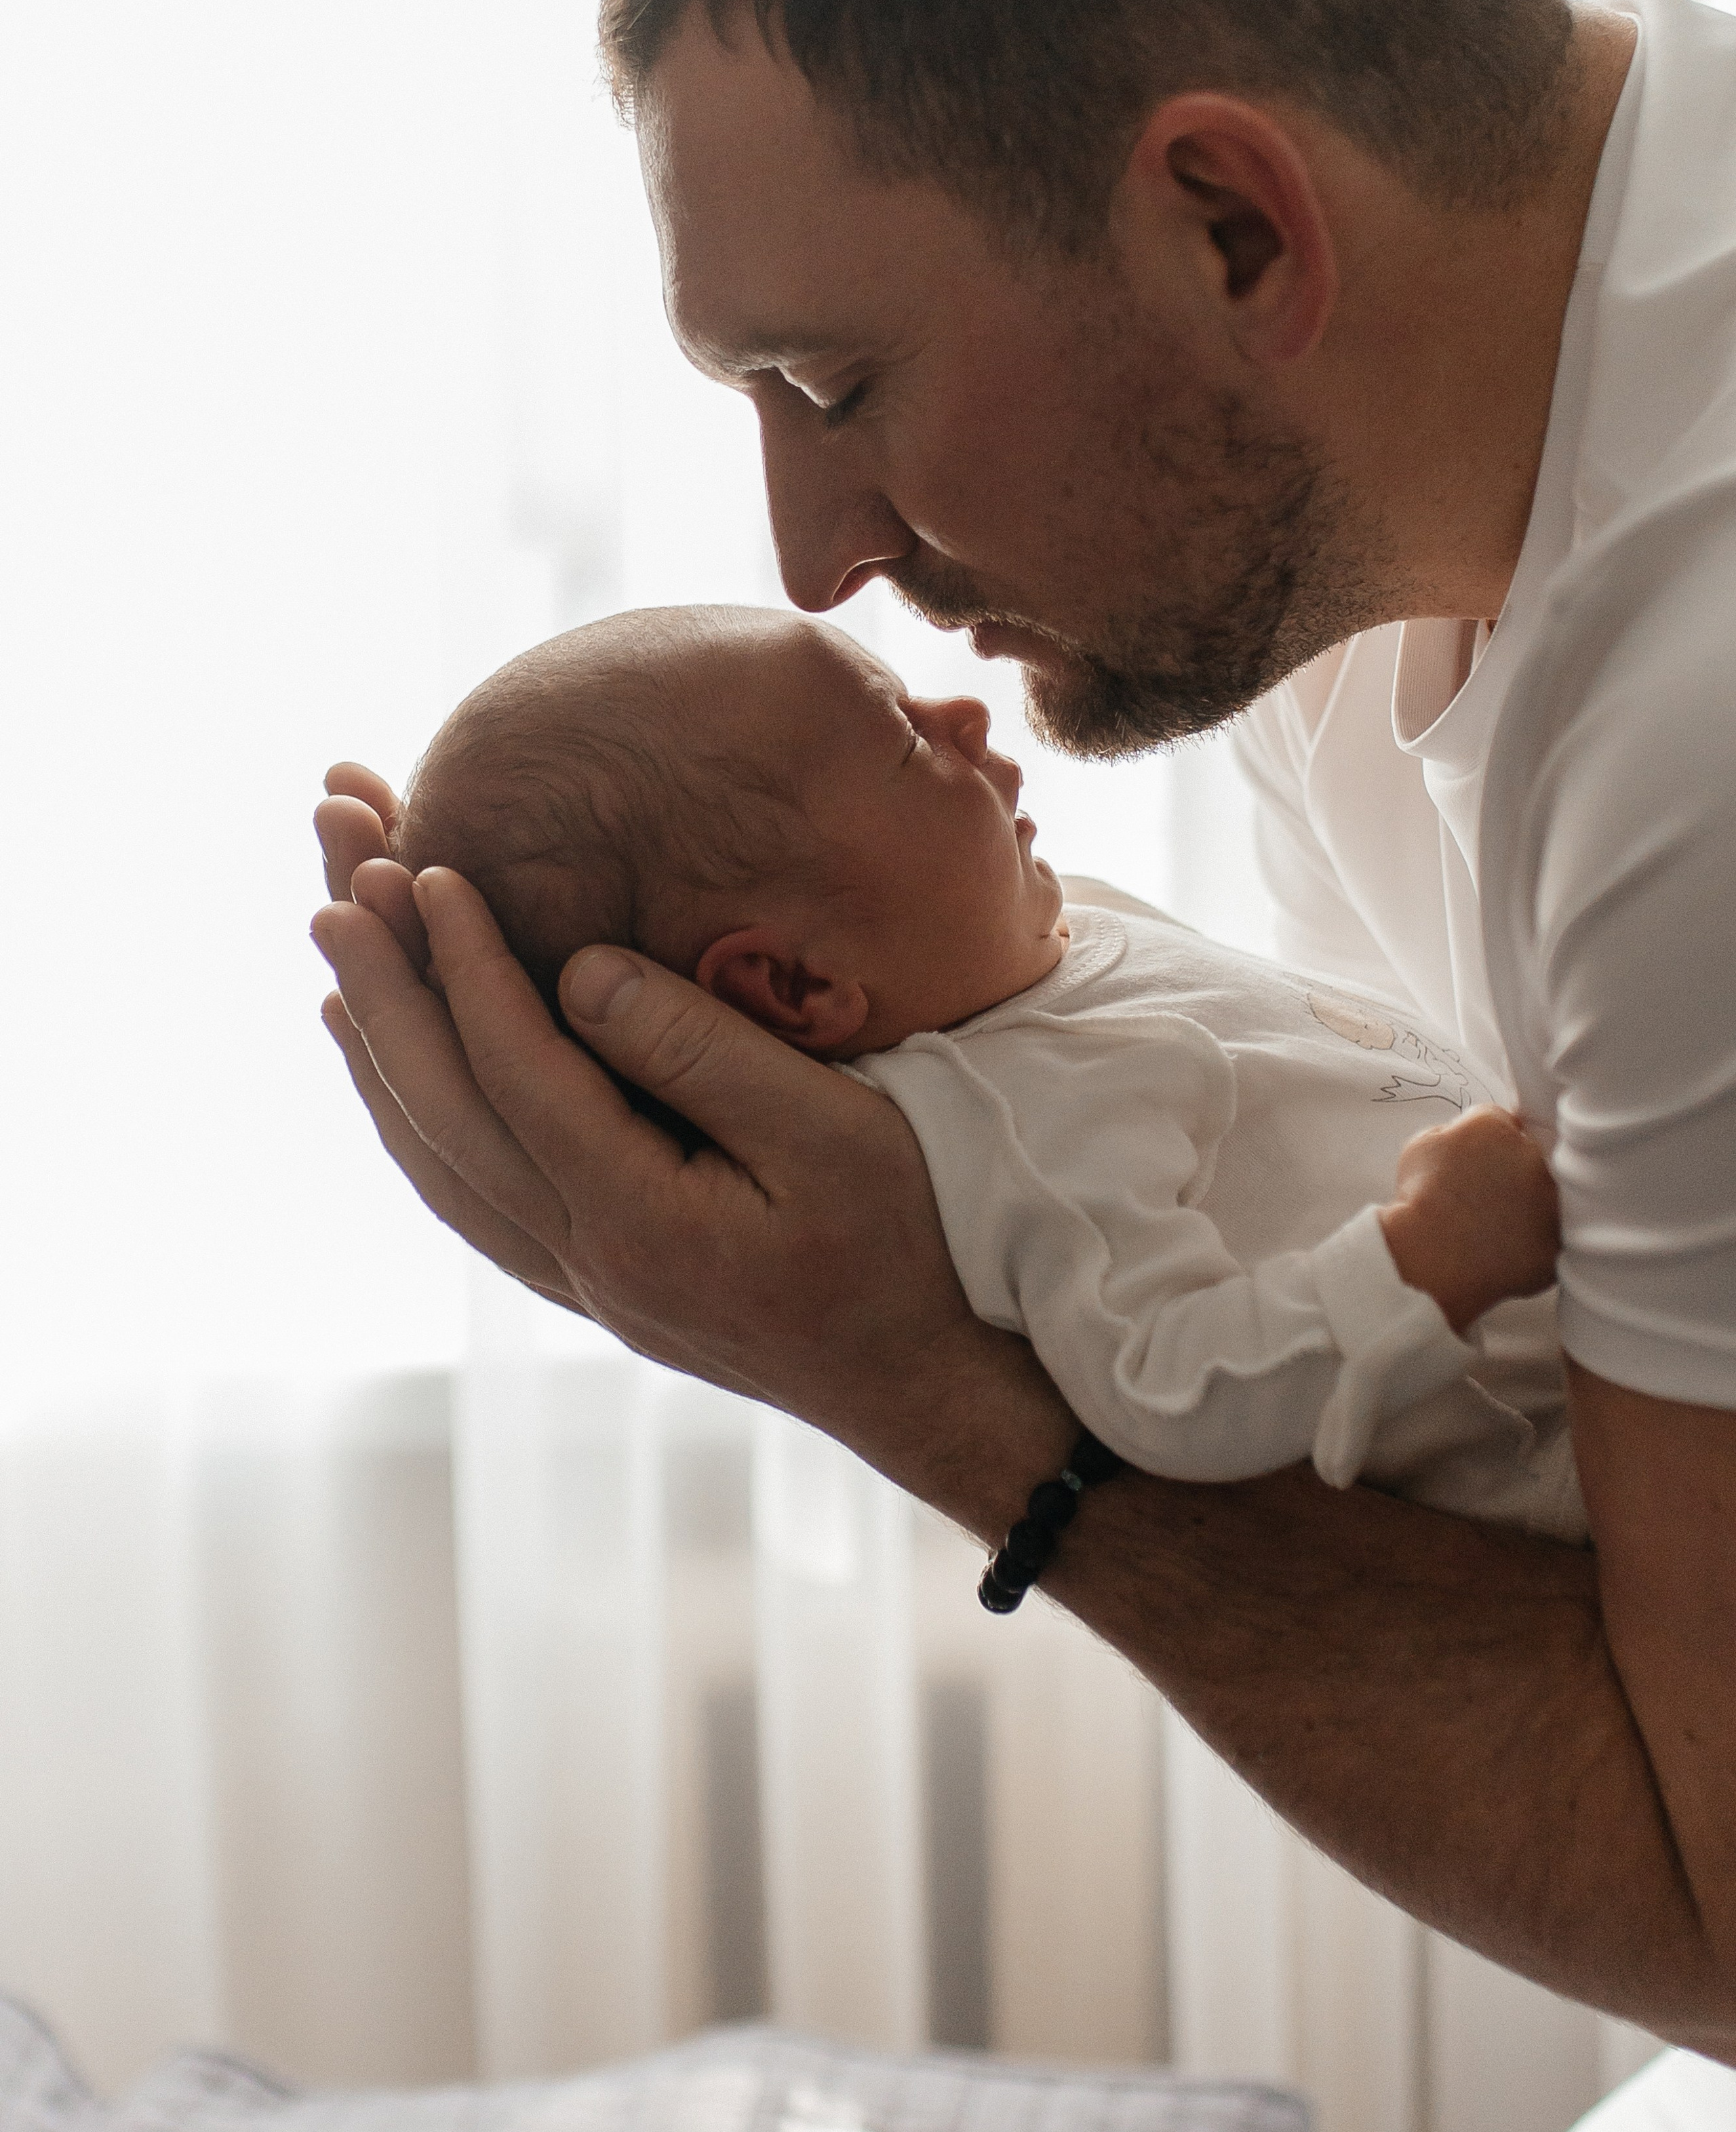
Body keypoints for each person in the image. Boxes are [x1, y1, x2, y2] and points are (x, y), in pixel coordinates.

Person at [313, 0, 1736, 2132]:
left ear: (1228, 226)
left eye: (838, 392)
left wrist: (911, 1385)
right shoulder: (1399, 484)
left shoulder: (1707, 729)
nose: (815, 554)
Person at [391, 601, 1573, 1530]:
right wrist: (1426, 1260)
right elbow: (1167, 1387)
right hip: (1550, 1455)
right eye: (905, 740)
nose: (964, 713)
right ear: (796, 985)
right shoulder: (1015, 1126)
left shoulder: (1049, 946)